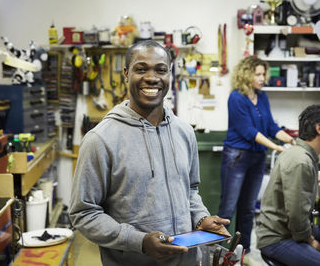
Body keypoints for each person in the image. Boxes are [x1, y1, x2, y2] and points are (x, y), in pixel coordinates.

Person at [69, 40, 230, 266]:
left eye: (161, 70)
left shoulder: (184, 132)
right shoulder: (100, 140)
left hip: (187, 261)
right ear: (126, 74)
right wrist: (140, 241)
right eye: (141, 69)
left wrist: (201, 218)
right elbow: (83, 214)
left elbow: (190, 191)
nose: (152, 77)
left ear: (169, 74)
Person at [217, 56, 295, 263]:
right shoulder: (236, 98)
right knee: (228, 208)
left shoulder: (262, 97)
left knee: (248, 208)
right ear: (246, 74)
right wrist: (278, 147)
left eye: (263, 74)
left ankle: (244, 254)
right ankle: (216, 252)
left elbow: (270, 126)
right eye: (257, 74)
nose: (262, 78)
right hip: (237, 157)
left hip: (257, 158)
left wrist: (292, 140)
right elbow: (249, 131)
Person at [256, 104, 320, 266]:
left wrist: (317, 176)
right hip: (277, 239)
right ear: (319, 129)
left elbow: (294, 187)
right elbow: (296, 216)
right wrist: (310, 241)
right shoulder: (301, 161)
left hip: (283, 231)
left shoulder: (298, 153)